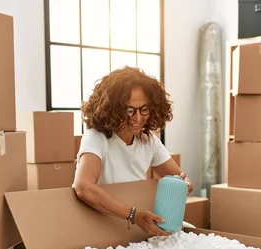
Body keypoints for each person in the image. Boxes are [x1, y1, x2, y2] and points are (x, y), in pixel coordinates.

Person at [73, 66, 193, 237]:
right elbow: (83, 187)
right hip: (103, 226)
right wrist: (134, 216)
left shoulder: (148, 140)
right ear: (111, 109)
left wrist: (184, 185)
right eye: (129, 110)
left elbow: (181, 178)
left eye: (144, 109)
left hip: (137, 229)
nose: (137, 118)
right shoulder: (96, 138)